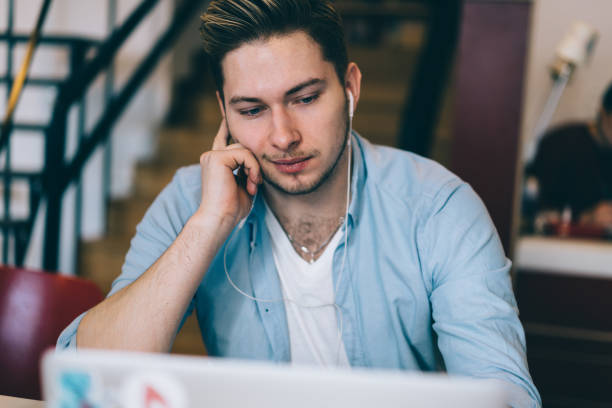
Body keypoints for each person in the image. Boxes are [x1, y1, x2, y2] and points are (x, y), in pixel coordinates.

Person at [58, 1, 540, 406]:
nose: (283, 136)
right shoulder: (191, 202)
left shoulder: (438, 208)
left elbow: (505, 395)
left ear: (350, 89)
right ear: (224, 112)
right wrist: (210, 224)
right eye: (251, 110)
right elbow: (88, 378)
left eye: (305, 98)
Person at [530, 81, 612, 228]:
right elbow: (540, 210)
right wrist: (586, 218)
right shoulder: (561, 144)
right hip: (563, 243)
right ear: (603, 113)